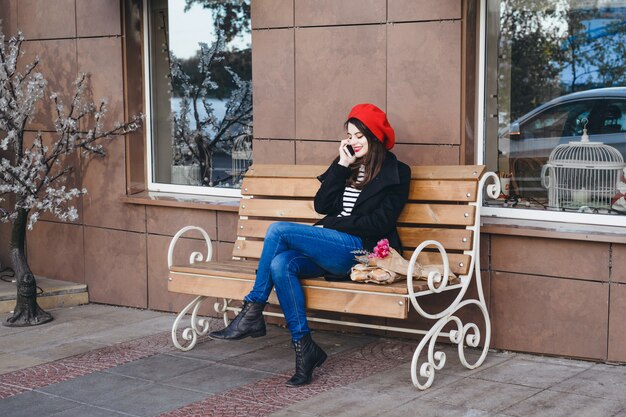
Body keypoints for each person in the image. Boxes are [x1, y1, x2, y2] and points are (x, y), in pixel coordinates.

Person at [208, 103, 411, 386]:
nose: (352, 141)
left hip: (361, 252)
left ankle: (253, 310)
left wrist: (334, 225)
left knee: (278, 230)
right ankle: (305, 348)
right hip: (332, 247)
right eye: (349, 135)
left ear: (374, 136)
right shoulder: (346, 166)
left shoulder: (397, 172)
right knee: (281, 264)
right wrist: (341, 166)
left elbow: (379, 222)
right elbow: (322, 205)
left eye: (358, 135)